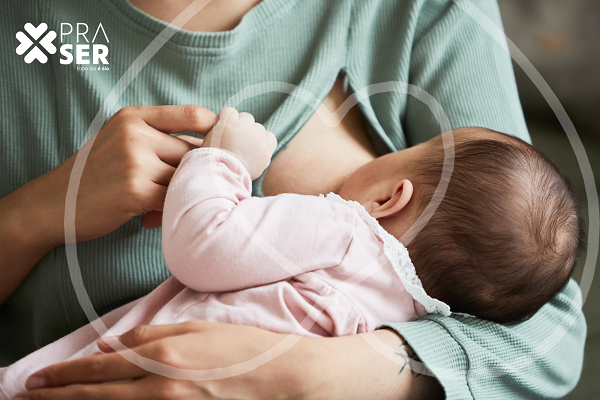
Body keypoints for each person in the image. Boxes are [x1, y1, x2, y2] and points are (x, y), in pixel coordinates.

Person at [0, 0, 585, 399]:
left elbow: (545, 338)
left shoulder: (419, 12)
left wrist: (303, 375)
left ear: (390, 197)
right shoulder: (32, 36)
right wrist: (36, 213)